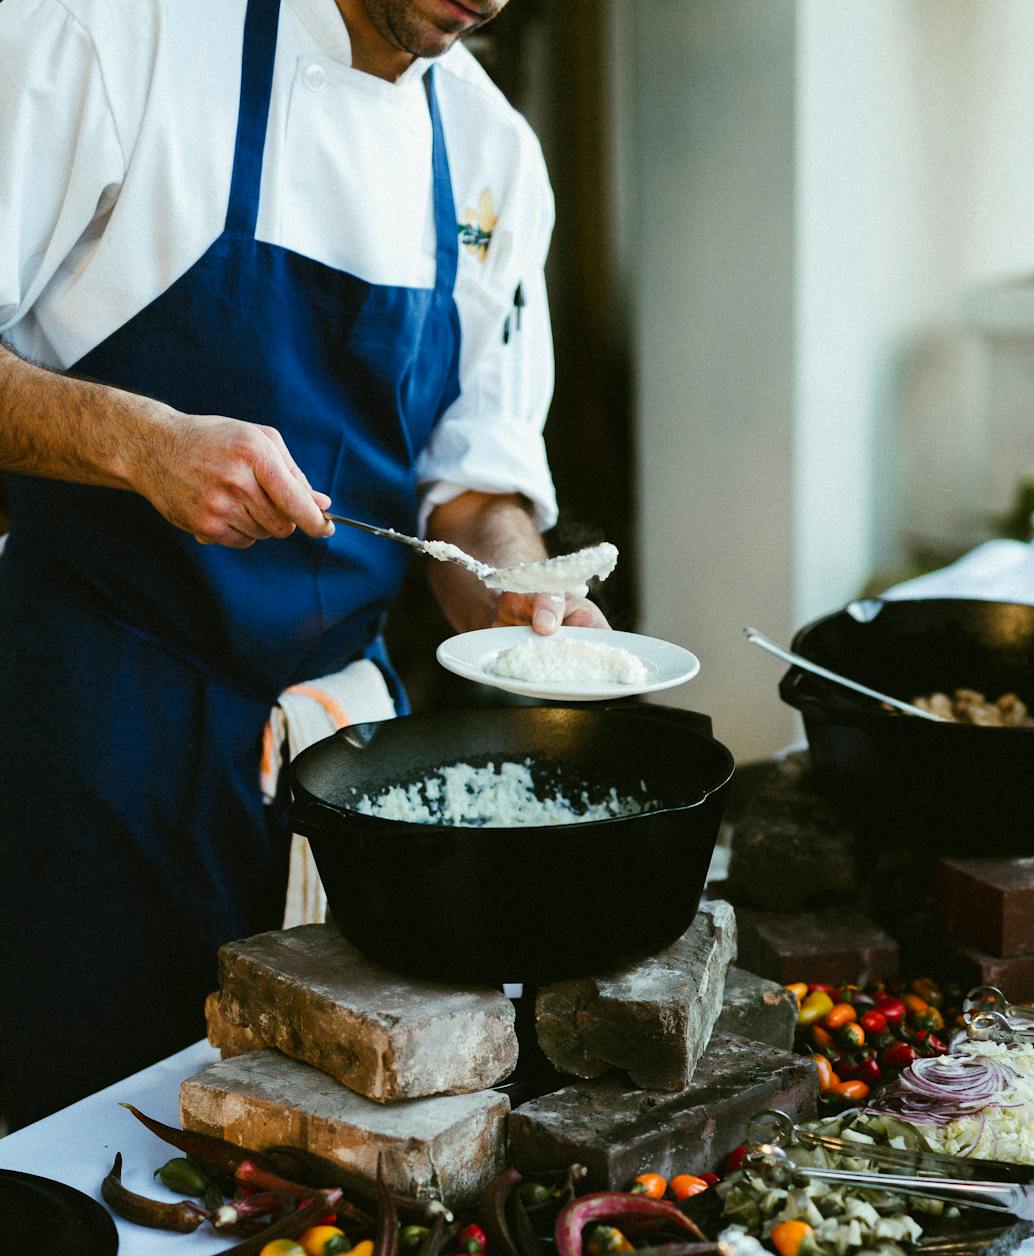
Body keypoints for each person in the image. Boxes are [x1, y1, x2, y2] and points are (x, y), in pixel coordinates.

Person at [0, 0, 607, 1127]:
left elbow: (473, 488)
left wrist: (524, 586)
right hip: (91, 733)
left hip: (339, 761)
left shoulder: (491, 153)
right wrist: (140, 444)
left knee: (307, 1151)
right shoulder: (107, 37)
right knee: (79, 1135)